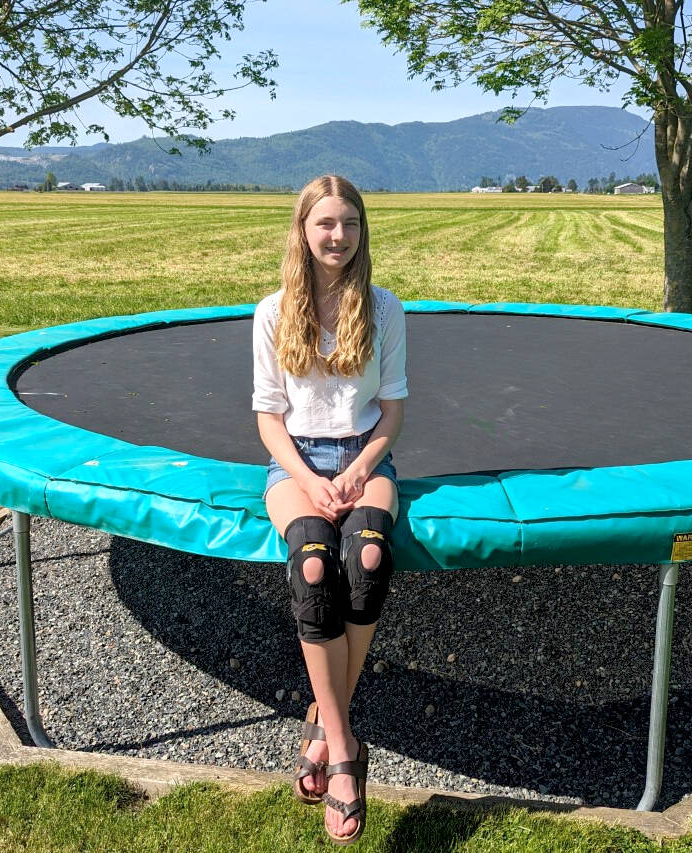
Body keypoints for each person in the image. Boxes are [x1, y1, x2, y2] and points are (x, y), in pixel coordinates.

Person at [253, 174, 406, 845]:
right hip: (293, 461)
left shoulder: (385, 307)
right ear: (303, 229)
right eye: (325, 223)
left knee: (368, 555)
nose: (337, 235)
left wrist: (357, 470)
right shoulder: (272, 311)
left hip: (366, 457)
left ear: (361, 229)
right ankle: (344, 752)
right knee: (314, 566)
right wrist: (310, 479)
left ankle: (320, 724)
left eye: (349, 222)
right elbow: (267, 419)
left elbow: (392, 411)